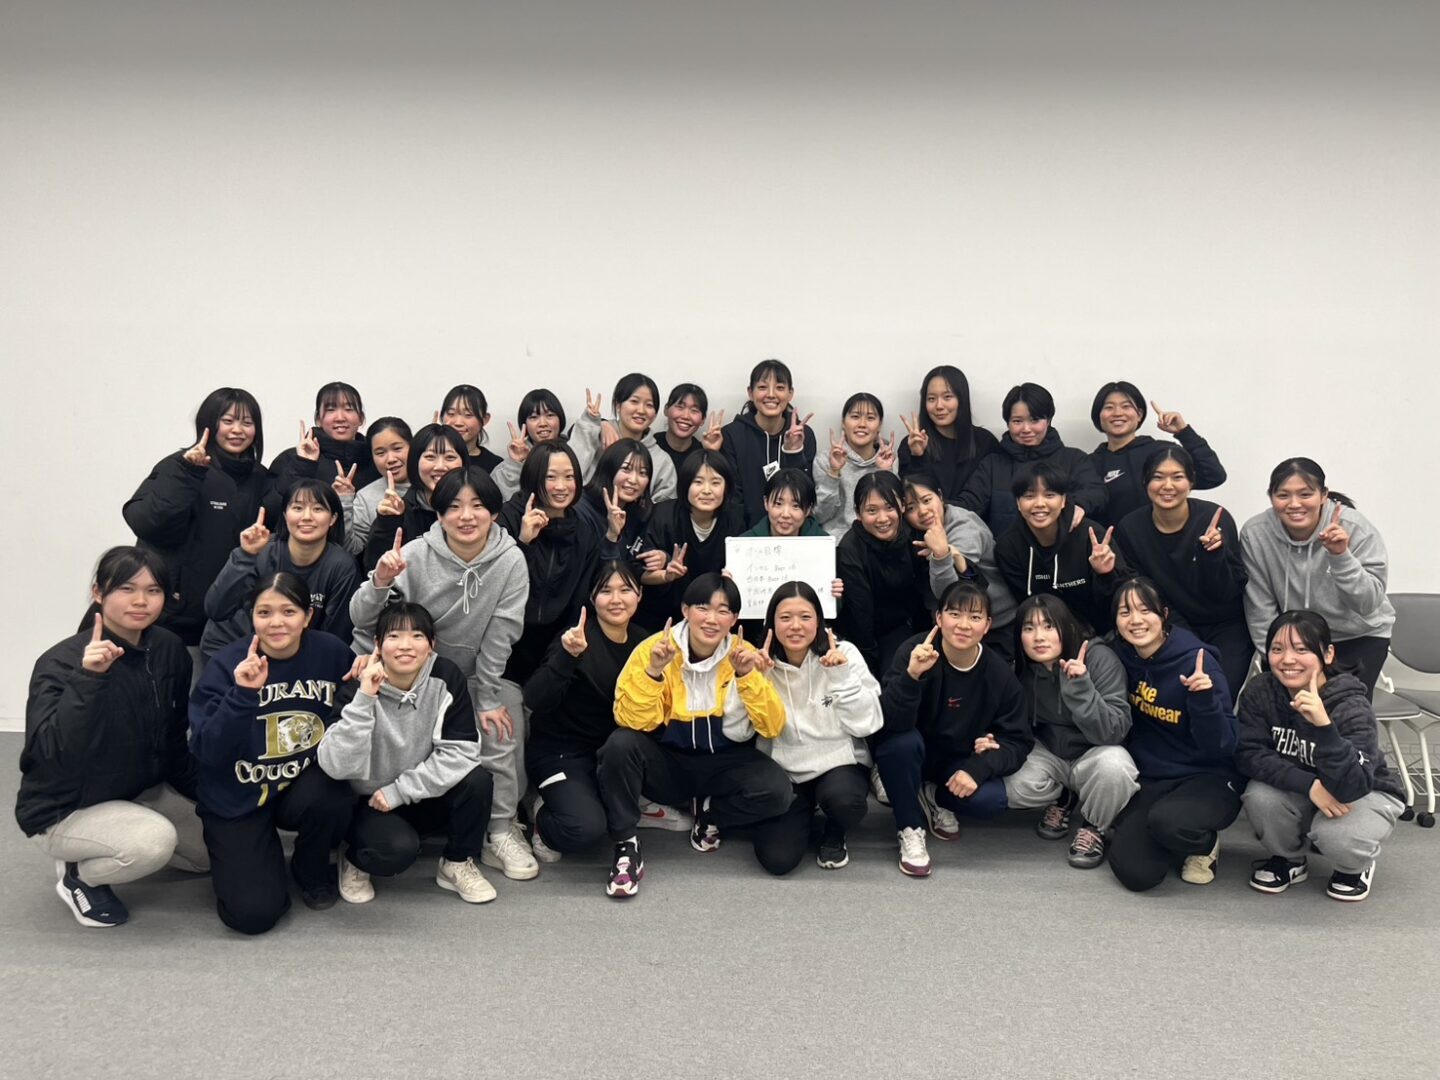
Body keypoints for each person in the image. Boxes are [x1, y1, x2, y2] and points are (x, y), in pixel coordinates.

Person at [349, 466, 537, 880]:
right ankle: (370, 829)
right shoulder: (415, 554)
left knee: (502, 718)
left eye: (478, 505)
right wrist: (379, 581)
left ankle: (500, 830)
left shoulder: (511, 560)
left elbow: (502, 634)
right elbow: (363, 619)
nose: (466, 516)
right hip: (412, 673)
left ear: (494, 512)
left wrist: (486, 696)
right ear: (438, 514)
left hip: (473, 674)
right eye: (454, 507)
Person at [17, 547, 207, 928]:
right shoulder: (60, 662)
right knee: (153, 842)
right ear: (98, 593)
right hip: (65, 806)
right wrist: (90, 679)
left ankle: (125, 832)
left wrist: (214, 795)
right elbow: (51, 754)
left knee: (212, 851)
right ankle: (79, 876)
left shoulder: (169, 649)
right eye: (126, 588)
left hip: (137, 790)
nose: (140, 601)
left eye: (153, 590)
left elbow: (172, 741)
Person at [597, 574, 791, 898]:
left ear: (734, 619)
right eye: (703, 608)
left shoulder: (745, 654)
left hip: (724, 761)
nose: (712, 619)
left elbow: (772, 726)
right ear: (685, 610)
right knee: (619, 745)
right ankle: (626, 845)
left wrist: (747, 676)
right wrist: (653, 672)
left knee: (777, 791)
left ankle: (710, 812)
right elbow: (630, 720)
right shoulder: (654, 649)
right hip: (670, 761)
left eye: (723, 611)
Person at [189, 573, 357, 934]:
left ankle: (309, 868)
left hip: (297, 784)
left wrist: (364, 677)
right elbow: (208, 751)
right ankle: (259, 862)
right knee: (253, 915)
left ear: (307, 616)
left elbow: (350, 713)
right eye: (264, 612)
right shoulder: (227, 664)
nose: (276, 622)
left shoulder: (332, 652)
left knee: (335, 790)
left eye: (289, 611)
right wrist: (242, 695)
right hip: (236, 796)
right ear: (251, 617)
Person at [319, 602, 496, 905]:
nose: (405, 645)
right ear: (377, 645)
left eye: (417, 636)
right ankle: (355, 859)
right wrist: (365, 697)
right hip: (368, 801)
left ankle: (456, 862)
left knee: (477, 781)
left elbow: (463, 751)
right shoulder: (357, 685)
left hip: (415, 791)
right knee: (397, 851)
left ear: (431, 644)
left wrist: (400, 791)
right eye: (394, 636)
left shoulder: (446, 676)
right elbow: (335, 766)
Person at [1237, 610, 1406, 902]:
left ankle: (1354, 867)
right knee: (1259, 796)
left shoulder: (1350, 702)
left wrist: (1324, 727)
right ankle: (1290, 859)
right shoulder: (1261, 690)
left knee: (1337, 837)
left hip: (1363, 791)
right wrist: (1310, 786)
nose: (1288, 659)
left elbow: (1355, 783)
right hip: (1305, 787)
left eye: (1301, 649)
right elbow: (1248, 754)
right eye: (1277, 649)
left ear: (1328, 654)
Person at [874, 581, 1030, 877]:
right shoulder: (914, 651)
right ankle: (910, 827)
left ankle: (933, 796)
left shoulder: (998, 673)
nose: (963, 625)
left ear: (987, 625)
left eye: (975, 617)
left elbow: (1018, 739)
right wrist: (911, 677)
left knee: (991, 800)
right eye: (954, 614)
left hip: (956, 759)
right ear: (939, 617)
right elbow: (887, 722)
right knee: (900, 745)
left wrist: (980, 766)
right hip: (913, 751)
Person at [1106, 577, 1242, 892]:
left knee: (1169, 823)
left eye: (1145, 610)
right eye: (1125, 612)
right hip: (1153, 777)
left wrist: (1204, 701)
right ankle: (1169, 834)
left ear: (1164, 614)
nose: (1136, 620)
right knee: (1136, 874)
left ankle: (1204, 843)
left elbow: (1224, 745)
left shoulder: (1198, 662)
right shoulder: (1121, 655)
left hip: (1208, 776)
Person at [123, 387, 284, 650]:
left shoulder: (258, 476)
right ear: (208, 423)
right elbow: (147, 522)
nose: (237, 430)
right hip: (174, 618)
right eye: (227, 421)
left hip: (229, 623)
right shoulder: (179, 466)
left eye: (247, 422)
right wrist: (188, 474)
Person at [523, 561, 651, 861]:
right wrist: (568, 656)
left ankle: (623, 799)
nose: (616, 599)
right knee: (585, 828)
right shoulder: (575, 638)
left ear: (639, 594)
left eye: (625, 590)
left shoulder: (644, 641)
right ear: (592, 598)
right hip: (561, 753)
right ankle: (542, 814)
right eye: (605, 591)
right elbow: (535, 698)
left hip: (609, 755)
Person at [751, 582, 883, 874]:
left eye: (805, 617)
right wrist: (751, 681)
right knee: (777, 860)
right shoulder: (760, 662)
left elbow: (869, 723)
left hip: (838, 763)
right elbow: (738, 732)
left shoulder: (844, 652)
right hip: (784, 768)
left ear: (820, 621)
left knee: (845, 802)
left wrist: (841, 677)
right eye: (785, 617)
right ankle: (803, 813)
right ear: (771, 622)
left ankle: (835, 829)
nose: (795, 626)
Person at [1002, 595, 1138, 869]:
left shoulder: (1099, 658)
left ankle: (1094, 826)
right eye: (1029, 628)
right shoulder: (1022, 668)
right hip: (1051, 750)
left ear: (1066, 627)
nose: (1039, 637)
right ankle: (1064, 797)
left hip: (1094, 750)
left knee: (1116, 769)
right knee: (1013, 785)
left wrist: (1081, 690)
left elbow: (1114, 732)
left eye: (1049, 626)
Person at [1240, 458, 1395, 695]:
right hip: (1295, 641)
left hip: (1357, 636)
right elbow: (1259, 607)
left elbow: (1368, 603)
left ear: (1323, 495)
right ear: (1271, 497)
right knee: (1290, 709)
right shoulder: (1256, 533)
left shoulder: (1355, 527)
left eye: (1305, 494)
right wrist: (1274, 652)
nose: (1294, 504)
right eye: (1283, 495)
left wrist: (1341, 556)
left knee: (1344, 708)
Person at [1113, 445, 1250, 691]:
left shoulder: (1214, 519)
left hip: (1225, 625)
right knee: (1176, 689)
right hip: (1170, 624)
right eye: (1158, 477)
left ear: (1191, 482)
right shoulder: (1130, 528)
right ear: (1145, 482)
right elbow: (1143, 593)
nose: (1167, 486)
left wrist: (1213, 555)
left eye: (1177, 477)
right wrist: (1187, 641)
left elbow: (1229, 591)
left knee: (1218, 689)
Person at [200, 478, 358, 664]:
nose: (307, 516)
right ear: (285, 514)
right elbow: (215, 609)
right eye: (297, 508)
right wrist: (245, 555)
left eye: (318, 509)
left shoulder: (341, 566)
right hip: (232, 646)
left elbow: (336, 636)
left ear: (333, 518)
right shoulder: (260, 549)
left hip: (294, 655)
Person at [958, 382, 1107, 536]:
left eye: (1034, 420)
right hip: (1005, 550)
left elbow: (1097, 493)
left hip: (1062, 550)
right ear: (1008, 423)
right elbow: (969, 503)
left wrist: (1078, 505)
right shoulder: (992, 465)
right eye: (1017, 421)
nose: (1026, 429)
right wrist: (942, 507)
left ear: (1048, 420)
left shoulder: (1074, 459)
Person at [993, 463, 1124, 636]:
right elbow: (1026, 605)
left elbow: (1120, 601)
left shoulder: (1092, 537)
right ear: (1018, 503)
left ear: (1063, 501)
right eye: (1029, 496)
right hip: (1047, 636)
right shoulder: (1008, 548)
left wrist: (1105, 574)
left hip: (1104, 634)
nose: (1039, 503)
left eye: (1049, 495)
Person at [835, 472, 944, 679]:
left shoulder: (914, 533)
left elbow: (929, 591)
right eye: (872, 510)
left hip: (916, 624)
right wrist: (869, 669)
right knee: (895, 674)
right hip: (874, 633)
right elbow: (861, 615)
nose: (882, 518)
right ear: (858, 513)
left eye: (889, 507)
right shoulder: (850, 550)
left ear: (902, 505)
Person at [900, 471, 1013, 659]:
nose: (922, 511)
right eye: (911, 508)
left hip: (995, 623)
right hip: (949, 624)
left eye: (927, 500)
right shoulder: (916, 532)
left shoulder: (964, 528)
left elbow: (951, 595)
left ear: (940, 496)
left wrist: (941, 555)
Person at [1089, 381, 1227, 523]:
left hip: (1162, 535)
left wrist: (1184, 432)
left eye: (1126, 406)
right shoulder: (1088, 464)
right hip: (1109, 537)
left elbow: (1213, 476)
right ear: (1099, 415)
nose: (1118, 413)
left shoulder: (1163, 453)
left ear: (1139, 414)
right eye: (1109, 407)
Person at [639, 449, 741, 624]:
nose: (707, 490)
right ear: (685, 485)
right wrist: (665, 575)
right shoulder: (663, 516)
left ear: (727, 487)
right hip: (661, 619)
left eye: (715, 483)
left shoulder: (735, 520)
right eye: (698, 482)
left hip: (714, 621)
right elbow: (638, 573)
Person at [722, 359, 817, 526]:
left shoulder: (803, 435)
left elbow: (805, 494)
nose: (771, 394)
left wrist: (793, 452)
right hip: (745, 533)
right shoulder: (732, 435)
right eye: (762, 387)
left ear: (790, 393)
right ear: (750, 392)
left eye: (779, 388)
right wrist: (746, 537)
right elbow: (732, 496)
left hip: (792, 531)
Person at [361, 423, 467, 572]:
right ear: (415, 462)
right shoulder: (401, 511)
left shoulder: (476, 508)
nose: (440, 466)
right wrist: (388, 522)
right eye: (430, 457)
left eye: (450, 457)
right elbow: (374, 569)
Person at [896, 366, 999, 500]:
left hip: (973, 514)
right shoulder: (912, 444)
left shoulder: (985, 442)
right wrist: (917, 456)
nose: (939, 406)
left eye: (947, 397)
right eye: (931, 399)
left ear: (962, 399)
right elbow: (914, 499)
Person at [571, 374, 679, 501]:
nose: (641, 410)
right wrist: (590, 423)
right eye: (634, 401)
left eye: (649, 405)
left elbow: (664, 507)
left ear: (655, 414)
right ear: (618, 405)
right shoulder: (596, 436)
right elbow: (570, 472)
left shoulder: (662, 460)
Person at [572, 438, 666, 573]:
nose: (633, 480)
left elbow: (636, 565)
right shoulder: (580, 509)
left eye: (642, 473)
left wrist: (663, 559)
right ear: (609, 469)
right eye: (626, 469)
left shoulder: (638, 513)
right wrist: (612, 536)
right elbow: (591, 573)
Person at [814, 392, 898, 540]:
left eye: (870, 418)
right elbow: (819, 515)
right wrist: (834, 472)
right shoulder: (825, 459)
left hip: (879, 541)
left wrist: (885, 472)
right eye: (855, 416)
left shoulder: (889, 459)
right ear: (843, 422)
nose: (862, 424)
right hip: (838, 543)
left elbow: (895, 513)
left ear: (879, 425)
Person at [270, 381, 379, 494]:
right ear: (318, 419)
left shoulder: (375, 460)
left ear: (361, 418)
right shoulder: (292, 459)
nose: (340, 418)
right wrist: (302, 465)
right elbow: (271, 503)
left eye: (348, 409)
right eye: (331, 410)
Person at [340, 417, 411, 560]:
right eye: (380, 453)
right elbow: (352, 548)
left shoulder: (430, 484)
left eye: (397, 449)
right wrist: (344, 502)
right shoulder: (366, 497)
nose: (390, 459)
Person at [493, 388, 568, 500]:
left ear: (560, 419)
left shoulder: (575, 452)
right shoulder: (505, 470)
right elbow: (507, 503)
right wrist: (515, 465)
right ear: (525, 424)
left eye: (550, 415)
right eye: (534, 417)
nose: (542, 423)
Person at [649, 383, 724, 473]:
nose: (686, 416)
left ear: (703, 419)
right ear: (666, 409)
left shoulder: (702, 453)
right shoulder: (650, 445)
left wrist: (711, 453)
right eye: (680, 407)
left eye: (694, 410)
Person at [741, 467, 830, 538]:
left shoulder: (823, 544)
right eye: (778, 504)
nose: (785, 514)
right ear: (766, 502)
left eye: (795, 506)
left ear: (808, 510)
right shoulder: (745, 543)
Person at [441, 384, 503, 471]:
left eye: (468, 415)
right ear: (441, 417)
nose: (458, 423)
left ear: (485, 419)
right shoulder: (428, 459)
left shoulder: (496, 465)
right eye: (451, 414)